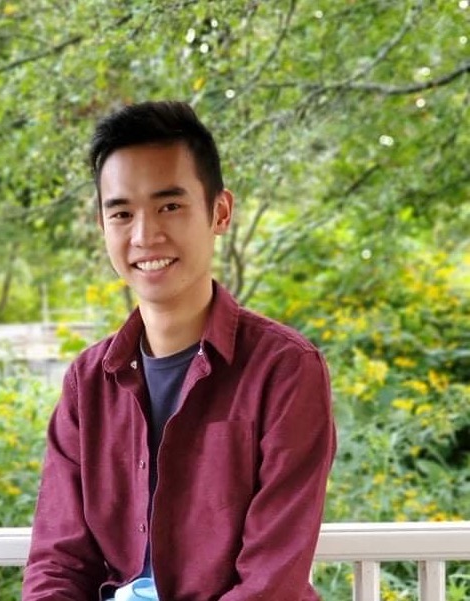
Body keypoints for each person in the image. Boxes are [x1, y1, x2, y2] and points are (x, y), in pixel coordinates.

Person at [22, 100, 336, 601]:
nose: (145, 235)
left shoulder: (285, 370)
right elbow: (58, 562)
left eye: (169, 206)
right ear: (102, 226)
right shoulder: (88, 382)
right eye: (122, 213)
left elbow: (270, 581)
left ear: (220, 212)